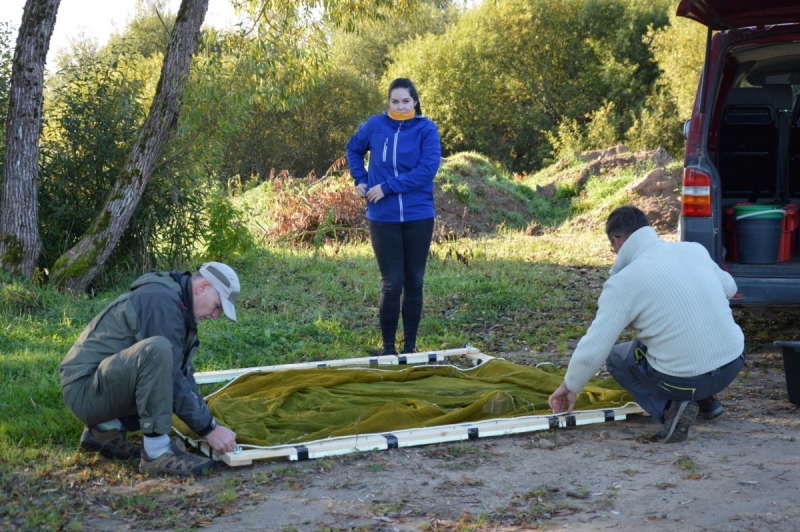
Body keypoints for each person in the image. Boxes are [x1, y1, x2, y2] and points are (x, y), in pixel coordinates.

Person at [548, 205, 745, 443]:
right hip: (732, 363)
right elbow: (730, 288)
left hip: (685, 380)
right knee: (665, 337)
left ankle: (669, 410)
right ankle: (708, 402)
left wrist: (571, 385)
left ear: (617, 242)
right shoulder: (693, 250)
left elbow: (595, 347)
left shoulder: (623, 283)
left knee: (617, 358)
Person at [59, 262, 240, 475]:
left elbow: (183, 375)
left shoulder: (176, 304)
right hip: (84, 390)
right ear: (202, 287)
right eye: (217, 306)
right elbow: (170, 375)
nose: (215, 316)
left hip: (97, 386)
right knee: (158, 350)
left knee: (163, 360)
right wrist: (210, 430)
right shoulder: (161, 301)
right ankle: (156, 453)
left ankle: (104, 429)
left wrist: (207, 423)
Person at [346, 77, 442, 355]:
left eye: (406, 101)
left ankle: (410, 347)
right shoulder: (375, 126)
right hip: (383, 217)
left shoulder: (427, 129)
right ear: (388, 102)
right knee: (392, 283)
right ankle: (388, 349)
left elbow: (427, 170)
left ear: (415, 102)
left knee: (415, 282)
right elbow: (353, 149)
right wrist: (360, 179)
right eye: (394, 101)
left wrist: (387, 187)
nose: (400, 106)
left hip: (418, 215)